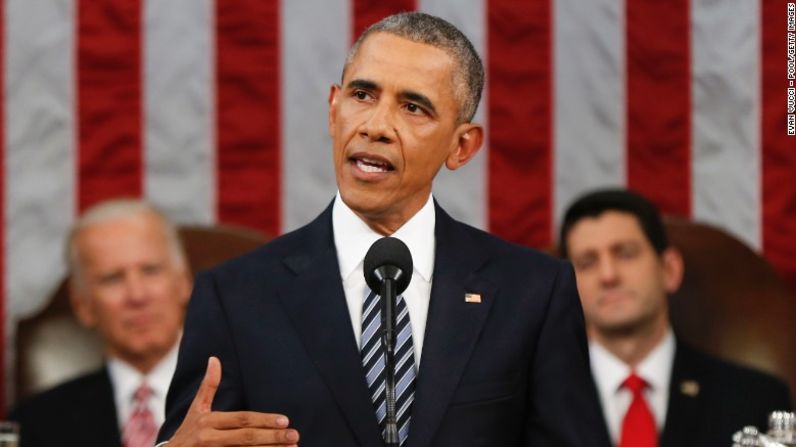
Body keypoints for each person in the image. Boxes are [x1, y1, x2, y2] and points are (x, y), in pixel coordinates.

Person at [158, 12, 610, 447]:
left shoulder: (533, 292)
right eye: (362, 95)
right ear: (334, 109)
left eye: (413, 107)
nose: (375, 126)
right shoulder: (234, 296)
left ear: (462, 146)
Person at [559, 188, 792, 447]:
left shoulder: (758, 400)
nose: (608, 275)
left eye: (625, 253)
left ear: (669, 269)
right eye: (587, 262)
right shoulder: (532, 404)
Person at [11, 199, 192, 447]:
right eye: (112, 279)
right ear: (82, 305)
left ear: (183, 283)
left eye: (151, 270)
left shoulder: (245, 399)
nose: (137, 296)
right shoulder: (34, 425)